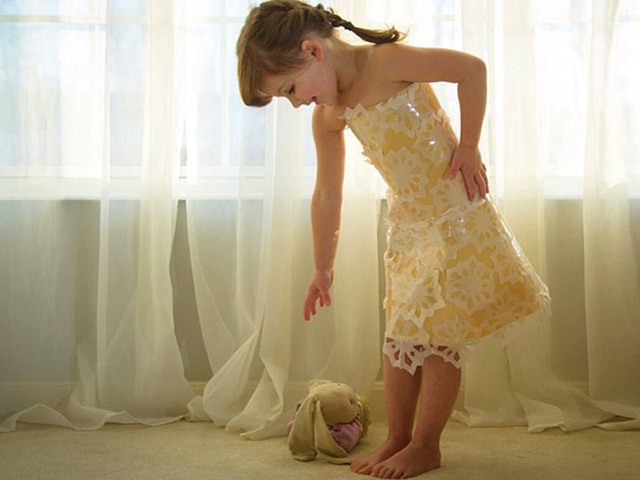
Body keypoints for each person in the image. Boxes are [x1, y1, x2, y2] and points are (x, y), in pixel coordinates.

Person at [236, 1, 550, 478]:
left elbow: (471, 70)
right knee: (400, 335)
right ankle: (399, 437)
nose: (297, 103)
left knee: (441, 335)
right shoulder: (330, 115)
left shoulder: (387, 62)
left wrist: (468, 145)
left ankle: (426, 445)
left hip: (454, 215)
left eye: (291, 89)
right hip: (407, 228)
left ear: (312, 51)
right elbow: (327, 193)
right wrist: (323, 266)